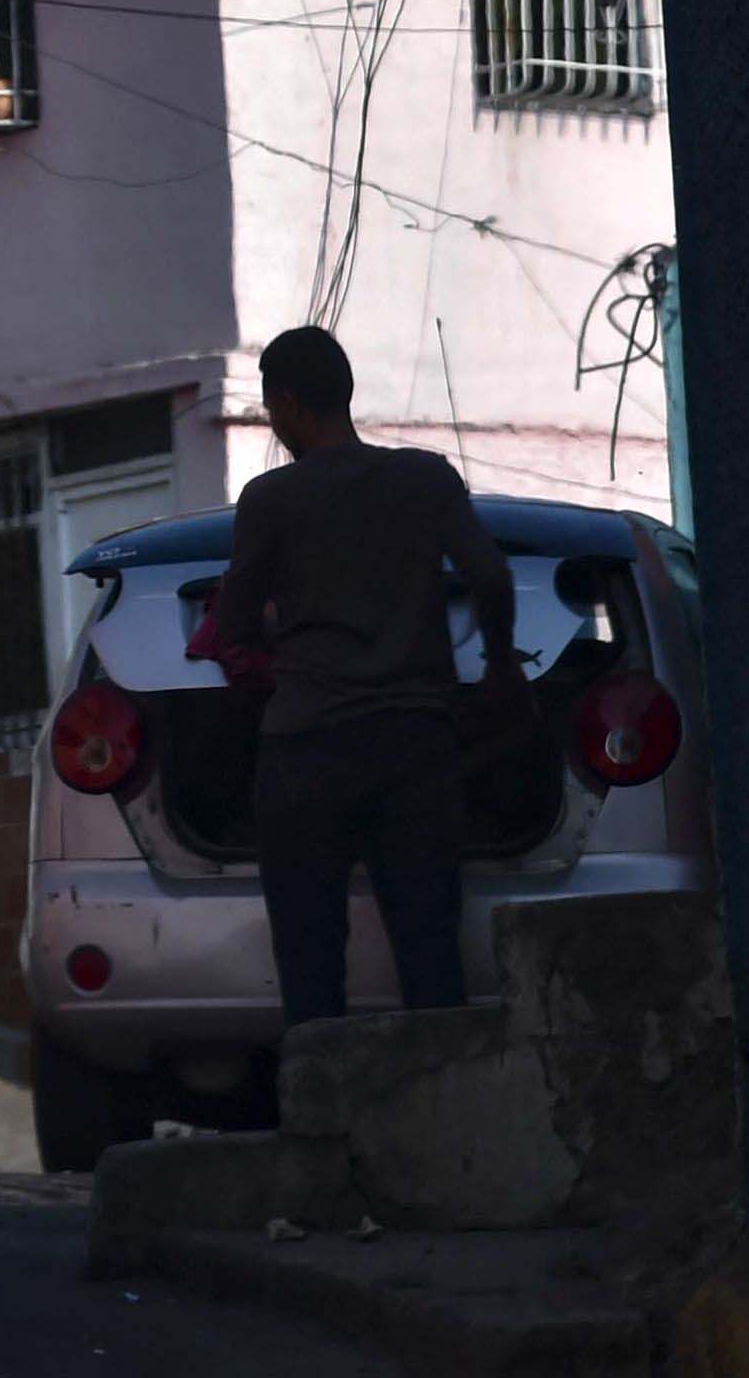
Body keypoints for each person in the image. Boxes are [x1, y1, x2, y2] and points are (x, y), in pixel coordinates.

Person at [202, 326, 525, 1028]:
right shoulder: (426, 478)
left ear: (287, 403)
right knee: (430, 955)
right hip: (414, 747)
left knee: (310, 962)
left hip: (306, 751)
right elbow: (492, 576)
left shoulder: (271, 499)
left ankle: (326, 1122)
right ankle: (445, 1114)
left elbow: (231, 626)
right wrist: (501, 667)